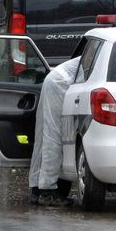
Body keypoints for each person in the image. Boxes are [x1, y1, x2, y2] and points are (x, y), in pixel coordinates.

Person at [29, 56, 81, 206]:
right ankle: (48, 190)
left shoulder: (98, 48)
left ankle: (36, 188)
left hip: (53, 78)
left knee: (42, 135)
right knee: (54, 133)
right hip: (60, 83)